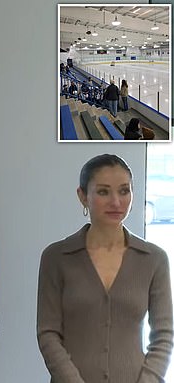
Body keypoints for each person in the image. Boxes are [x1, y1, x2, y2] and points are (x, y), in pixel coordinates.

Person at [37, 154, 173, 383]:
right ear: (82, 196)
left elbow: (164, 335)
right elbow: (48, 333)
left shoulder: (153, 259)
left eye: (124, 191)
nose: (116, 202)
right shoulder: (56, 257)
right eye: (103, 192)